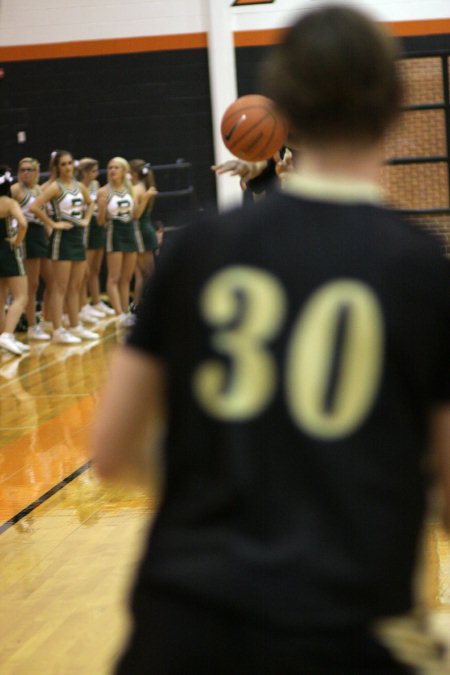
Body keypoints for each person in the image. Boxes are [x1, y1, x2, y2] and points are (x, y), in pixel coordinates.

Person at [91, 6, 450, 674]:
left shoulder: (195, 250)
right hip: (347, 621)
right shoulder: (420, 267)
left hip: (189, 620)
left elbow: (112, 453)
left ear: (285, 107)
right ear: (394, 108)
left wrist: (237, 472)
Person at [29, 150, 97, 344]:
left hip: (77, 238)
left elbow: (90, 204)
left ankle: (75, 325)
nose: (68, 167)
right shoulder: (55, 187)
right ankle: (58, 330)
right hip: (62, 239)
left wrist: (85, 219)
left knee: (75, 286)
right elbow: (34, 207)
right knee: (60, 287)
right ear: (57, 168)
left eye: (69, 163)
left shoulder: (79, 186)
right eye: (63, 164)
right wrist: (53, 224)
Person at [96, 157, 157, 327]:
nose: (113, 170)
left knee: (126, 278)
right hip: (114, 232)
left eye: (116, 167)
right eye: (110, 168)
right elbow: (100, 222)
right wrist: (101, 210)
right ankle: (119, 314)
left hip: (129, 231)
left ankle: (126, 313)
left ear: (124, 171)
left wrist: (144, 198)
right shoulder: (103, 191)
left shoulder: (130, 189)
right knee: (114, 277)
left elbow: (136, 215)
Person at [11, 157, 53, 341]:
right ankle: (31, 326)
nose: (25, 173)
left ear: (36, 172)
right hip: (26, 235)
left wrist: (49, 230)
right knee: (32, 284)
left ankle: (47, 318)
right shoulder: (14, 190)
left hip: (40, 235)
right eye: (22, 170)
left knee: (52, 281)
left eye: (29, 170)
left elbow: (46, 213)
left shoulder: (39, 189)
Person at [76, 157, 114, 322]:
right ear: (84, 172)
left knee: (95, 270)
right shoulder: (79, 187)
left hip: (98, 227)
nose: (96, 174)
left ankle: (96, 302)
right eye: (93, 171)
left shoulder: (96, 185)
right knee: (84, 271)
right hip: (86, 229)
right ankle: (83, 306)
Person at [0, 166, 29, 355]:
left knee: (1, 298)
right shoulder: (9, 202)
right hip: (7, 251)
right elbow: (23, 224)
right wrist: (16, 241)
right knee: (21, 296)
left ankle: (2, 336)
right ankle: (7, 336)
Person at [129, 159, 159, 307]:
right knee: (140, 273)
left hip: (140, 230)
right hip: (142, 229)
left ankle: (152, 304)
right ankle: (136, 305)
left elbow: (135, 215)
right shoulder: (142, 186)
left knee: (148, 272)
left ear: (134, 173)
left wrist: (145, 199)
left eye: (128, 171)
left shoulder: (137, 188)